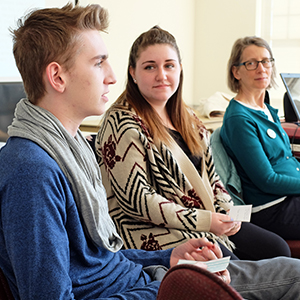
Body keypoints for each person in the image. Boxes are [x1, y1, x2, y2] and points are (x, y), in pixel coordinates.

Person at [1, 6, 300, 300]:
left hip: (148, 272)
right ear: (58, 77)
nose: (111, 77)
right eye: (98, 63)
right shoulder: (32, 172)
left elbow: (102, 260)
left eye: (169, 65)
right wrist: (170, 288)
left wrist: (171, 258)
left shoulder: (70, 147)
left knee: (291, 268)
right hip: (149, 283)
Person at [95, 26, 290, 261]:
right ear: (133, 72)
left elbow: (213, 177)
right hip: (149, 229)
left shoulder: (189, 119)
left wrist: (229, 211)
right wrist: (207, 221)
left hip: (203, 217)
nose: (162, 75)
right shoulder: (121, 122)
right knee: (228, 264)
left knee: (277, 249)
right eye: (150, 67)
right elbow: (138, 200)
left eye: (169, 65)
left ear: (179, 70)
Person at [220, 36, 300, 241]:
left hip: (291, 196)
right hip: (273, 208)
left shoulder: (266, 109)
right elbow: (267, 180)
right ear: (236, 71)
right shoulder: (239, 118)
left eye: (266, 61)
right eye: (251, 63)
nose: (261, 68)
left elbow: (286, 160)